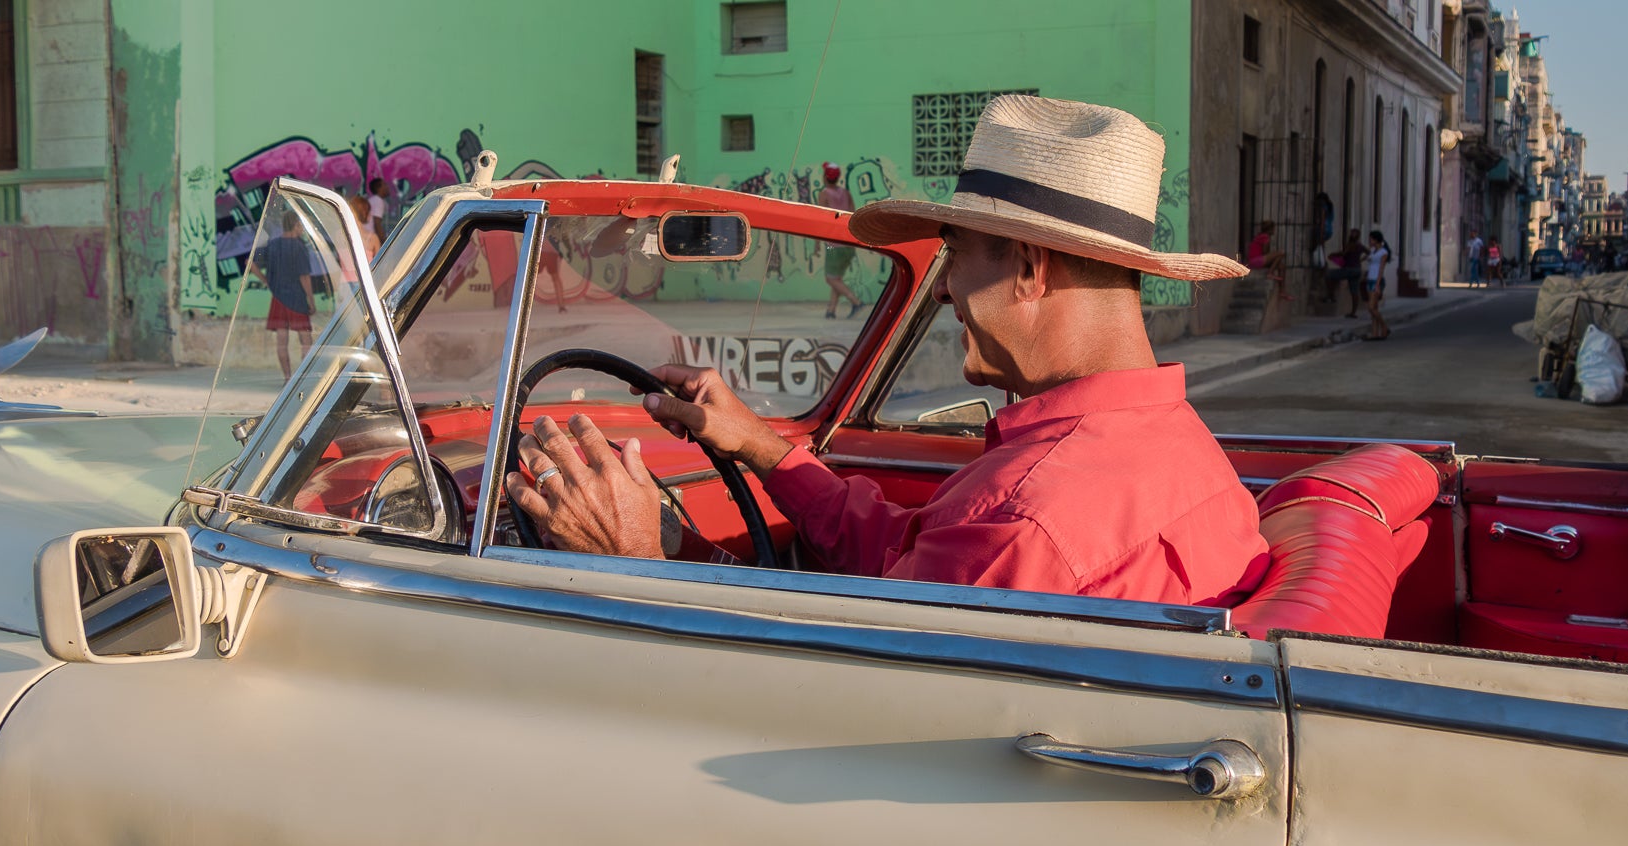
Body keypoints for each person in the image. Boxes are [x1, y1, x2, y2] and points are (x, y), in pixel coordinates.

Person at [505, 95, 1270, 607]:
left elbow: (828, 705)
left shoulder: (1026, 522)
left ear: (1031, 269)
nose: (939, 292)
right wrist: (766, 450)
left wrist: (641, 560)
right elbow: (907, 557)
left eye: (955, 256)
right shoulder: (1181, 449)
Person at [248, 210, 316, 377]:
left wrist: (267, 281)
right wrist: (311, 300)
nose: (302, 229)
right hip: (297, 299)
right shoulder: (300, 246)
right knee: (306, 340)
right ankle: (302, 378)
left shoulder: (273, 244)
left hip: (278, 299)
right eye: (301, 225)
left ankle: (287, 378)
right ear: (295, 225)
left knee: (281, 342)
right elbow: (304, 277)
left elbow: (251, 264)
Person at [816, 162, 863, 319]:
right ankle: (831, 311)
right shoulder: (846, 193)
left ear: (825, 177)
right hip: (848, 244)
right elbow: (854, 216)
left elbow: (819, 219)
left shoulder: (824, 194)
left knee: (830, 278)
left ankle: (855, 301)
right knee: (837, 278)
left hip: (833, 245)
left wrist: (816, 243)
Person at [1325, 228, 1365, 316]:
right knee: (1354, 291)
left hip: (1349, 269)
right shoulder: (1360, 245)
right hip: (1357, 270)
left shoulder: (1351, 245)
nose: (1351, 235)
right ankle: (1353, 313)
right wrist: (1361, 260)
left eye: (1352, 233)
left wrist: (1332, 254)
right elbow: (1369, 252)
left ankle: (1331, 296)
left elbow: (1343, 254)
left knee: (1329, 274)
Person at [1247, 220, 1290, 301]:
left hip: (1255, 261)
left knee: (1282, 266)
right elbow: (1265, 252)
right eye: (1273, 229)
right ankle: (1270, 273)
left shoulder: (1260, 236)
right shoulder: (1265, 237)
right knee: (1281, 253)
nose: (1274, 230)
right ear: (1269, 229)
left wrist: (1273, 258)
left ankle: (1282, 291)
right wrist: (1273, 257)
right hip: (1256, 261)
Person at [1362, 230, 1392, 341]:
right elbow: (1368, 261)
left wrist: (1378, 285)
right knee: (1374, 308)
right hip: (1370, 279)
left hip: (1376, 281)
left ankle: (1384, 327)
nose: (1369, 241)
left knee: (1371, 307)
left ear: (1375, 239)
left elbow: (1381, 269)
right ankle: (1375, 333)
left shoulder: (1383, 253)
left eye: (1371, 239)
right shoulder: (1373, 251)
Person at [366, 178, 391, 243]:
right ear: (378, 188)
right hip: (370, 239)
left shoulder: (375, 200)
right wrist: (384, 242)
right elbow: (377, 223)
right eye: (385, 184)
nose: (387, 187)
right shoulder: (378, 201)